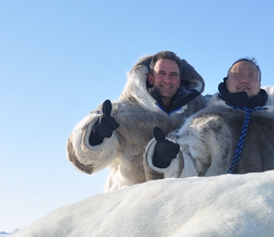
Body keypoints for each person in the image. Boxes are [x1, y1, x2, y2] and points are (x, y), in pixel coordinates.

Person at [143, 57, 274, 181]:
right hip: (224, 218)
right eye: (238, 75)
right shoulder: (204, 123)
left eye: (252, 76)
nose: (245, 80)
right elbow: (188, 173)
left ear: (260, 85)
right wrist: (166, 159)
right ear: (226, 83)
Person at [67, 51, 208, 191]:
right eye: (161, 73)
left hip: (176, 198)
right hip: (127, 198)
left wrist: (169, 163)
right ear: (151, 78)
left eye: (173, 75)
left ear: (179, 82)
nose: (167, 80)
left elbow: (203, 159)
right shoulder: (122, 111)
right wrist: (94, 136)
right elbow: (83, 161)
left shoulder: (195, 112)